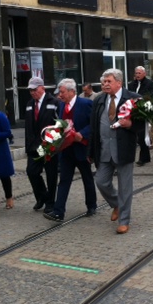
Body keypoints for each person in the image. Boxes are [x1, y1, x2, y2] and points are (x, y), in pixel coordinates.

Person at [88, 68, 141, 234]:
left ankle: (124, 221)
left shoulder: (133, 98)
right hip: (103, 149)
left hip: (123, 150)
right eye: (104, 82)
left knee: (125, 187)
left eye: (109, 81)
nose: (105, 84)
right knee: (101, 181)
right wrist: (91, 151)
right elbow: (93, 127)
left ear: (119, 82)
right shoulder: (99, 100)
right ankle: (116, 203)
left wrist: (130, 124)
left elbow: (142, 124)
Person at [43, 79, 97, 222]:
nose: (60, 95)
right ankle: (58, 212)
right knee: (64, 180)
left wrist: (82, 134)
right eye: (59, 92)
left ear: (72, 91)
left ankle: (91, 205)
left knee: (87, 178)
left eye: (62, 92)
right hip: (66, 150)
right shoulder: (61, 105)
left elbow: (93, 124)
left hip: (81, 148)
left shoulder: (85, 104)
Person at [24, 76, 59, 214]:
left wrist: (53, 142)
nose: (32, 92)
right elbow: (28, 127)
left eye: (35, 89)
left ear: (42, 88)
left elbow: (59, 125)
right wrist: (28, 146)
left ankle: (50, 202)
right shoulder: (29, 104)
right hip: (34, 147)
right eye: (30, 90)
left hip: (49, 146)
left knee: (51, 175)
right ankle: (42, 197)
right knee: (31, 172)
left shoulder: (54, 102)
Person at [127, 66, 153, 166]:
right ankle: (145, 157)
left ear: (144, 74)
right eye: (136, 73)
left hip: (144, 111)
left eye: (139, 73)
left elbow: (151, 96)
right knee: (138, 136)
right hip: (133, 111)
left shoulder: (149, 83)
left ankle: (143, 158)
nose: (137, 75)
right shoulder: (131, 84)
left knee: (142, 135)